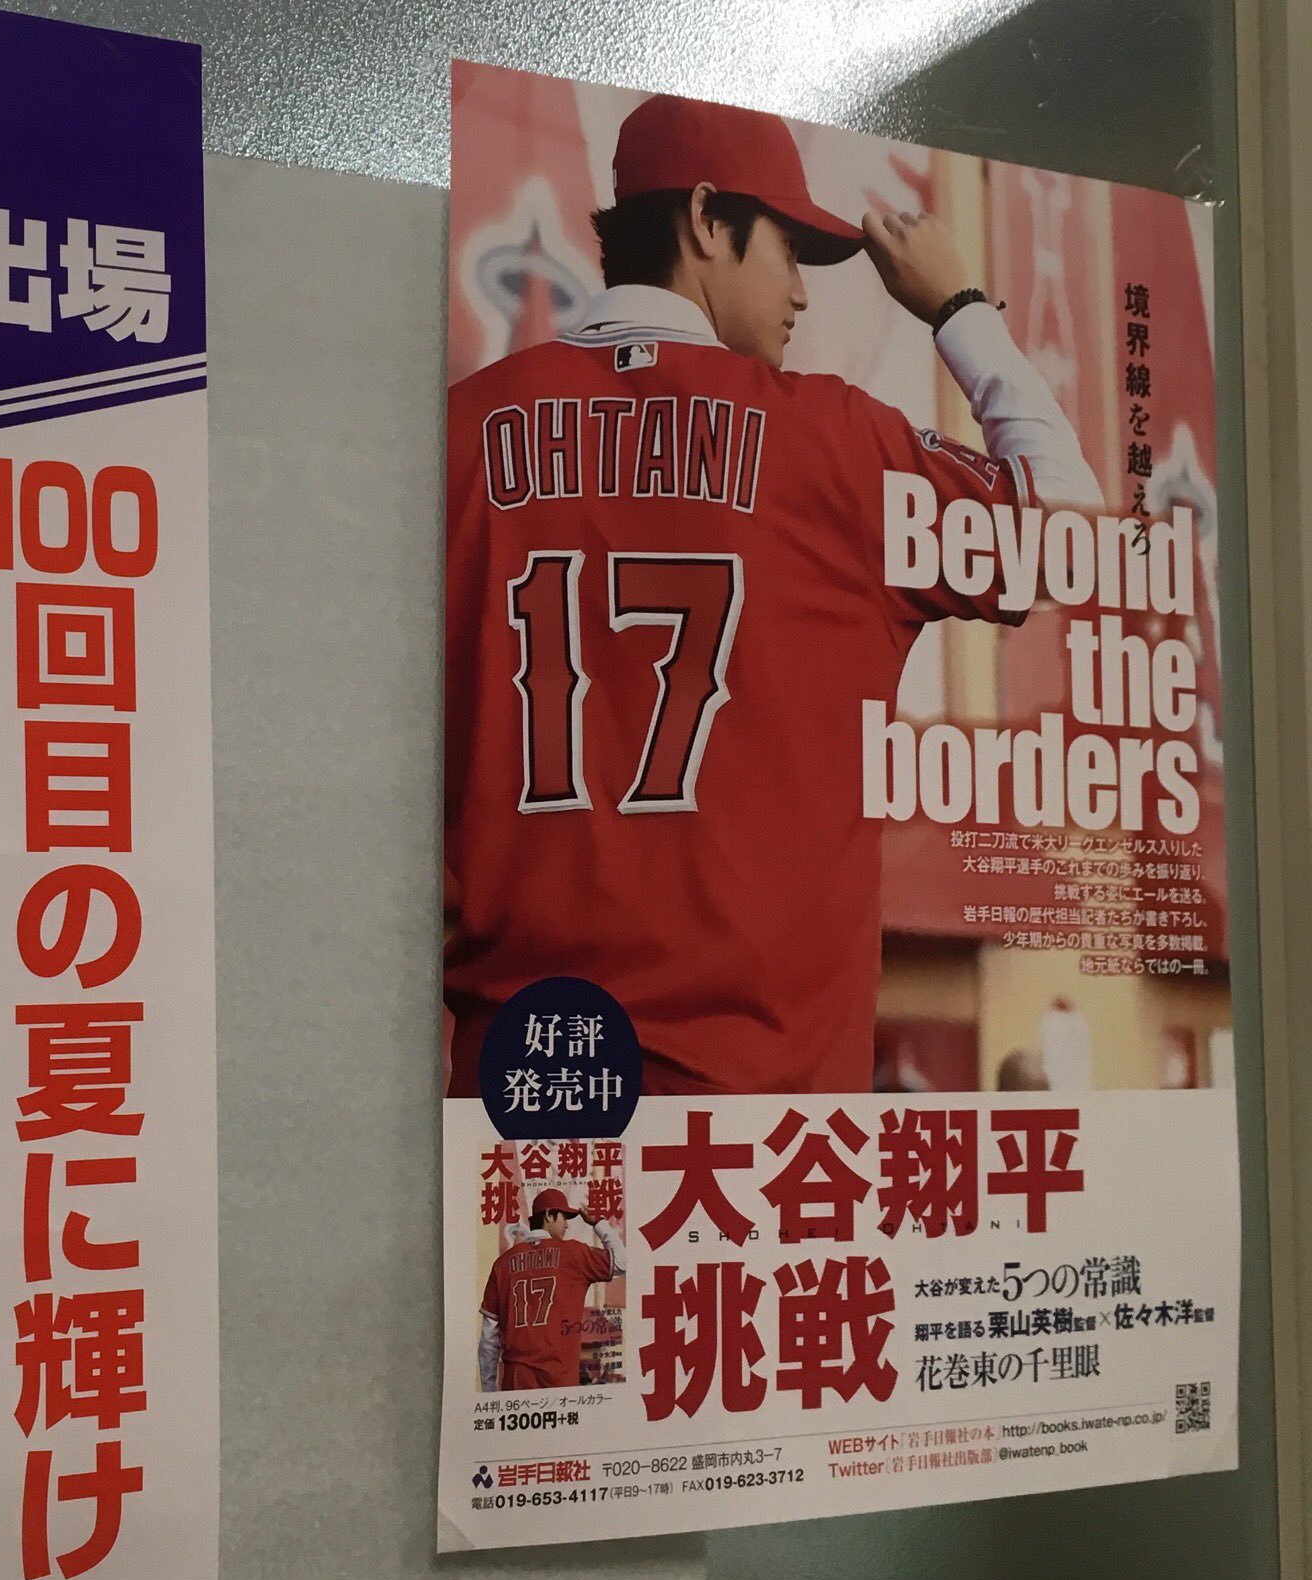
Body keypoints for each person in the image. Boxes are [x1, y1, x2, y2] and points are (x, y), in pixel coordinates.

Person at [445, 93, 1101, 1099]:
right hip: (759, 1129)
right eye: (787, 249)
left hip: (524, 1104)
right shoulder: (832, 443)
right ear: (707, 219)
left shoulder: (456, 434)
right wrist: (959, 307)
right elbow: (1072, 538)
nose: (799, 291)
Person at [478, 1188, 627, 1392]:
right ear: (549, 1215)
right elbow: (622, 1262)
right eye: (563, 1217)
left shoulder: (502, 1264)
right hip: (560, 1382)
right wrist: (598, 1223)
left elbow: (489, 1338)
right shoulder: (574, 1254)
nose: (566, 1225)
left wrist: (489, 1391)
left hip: (516, 1382)